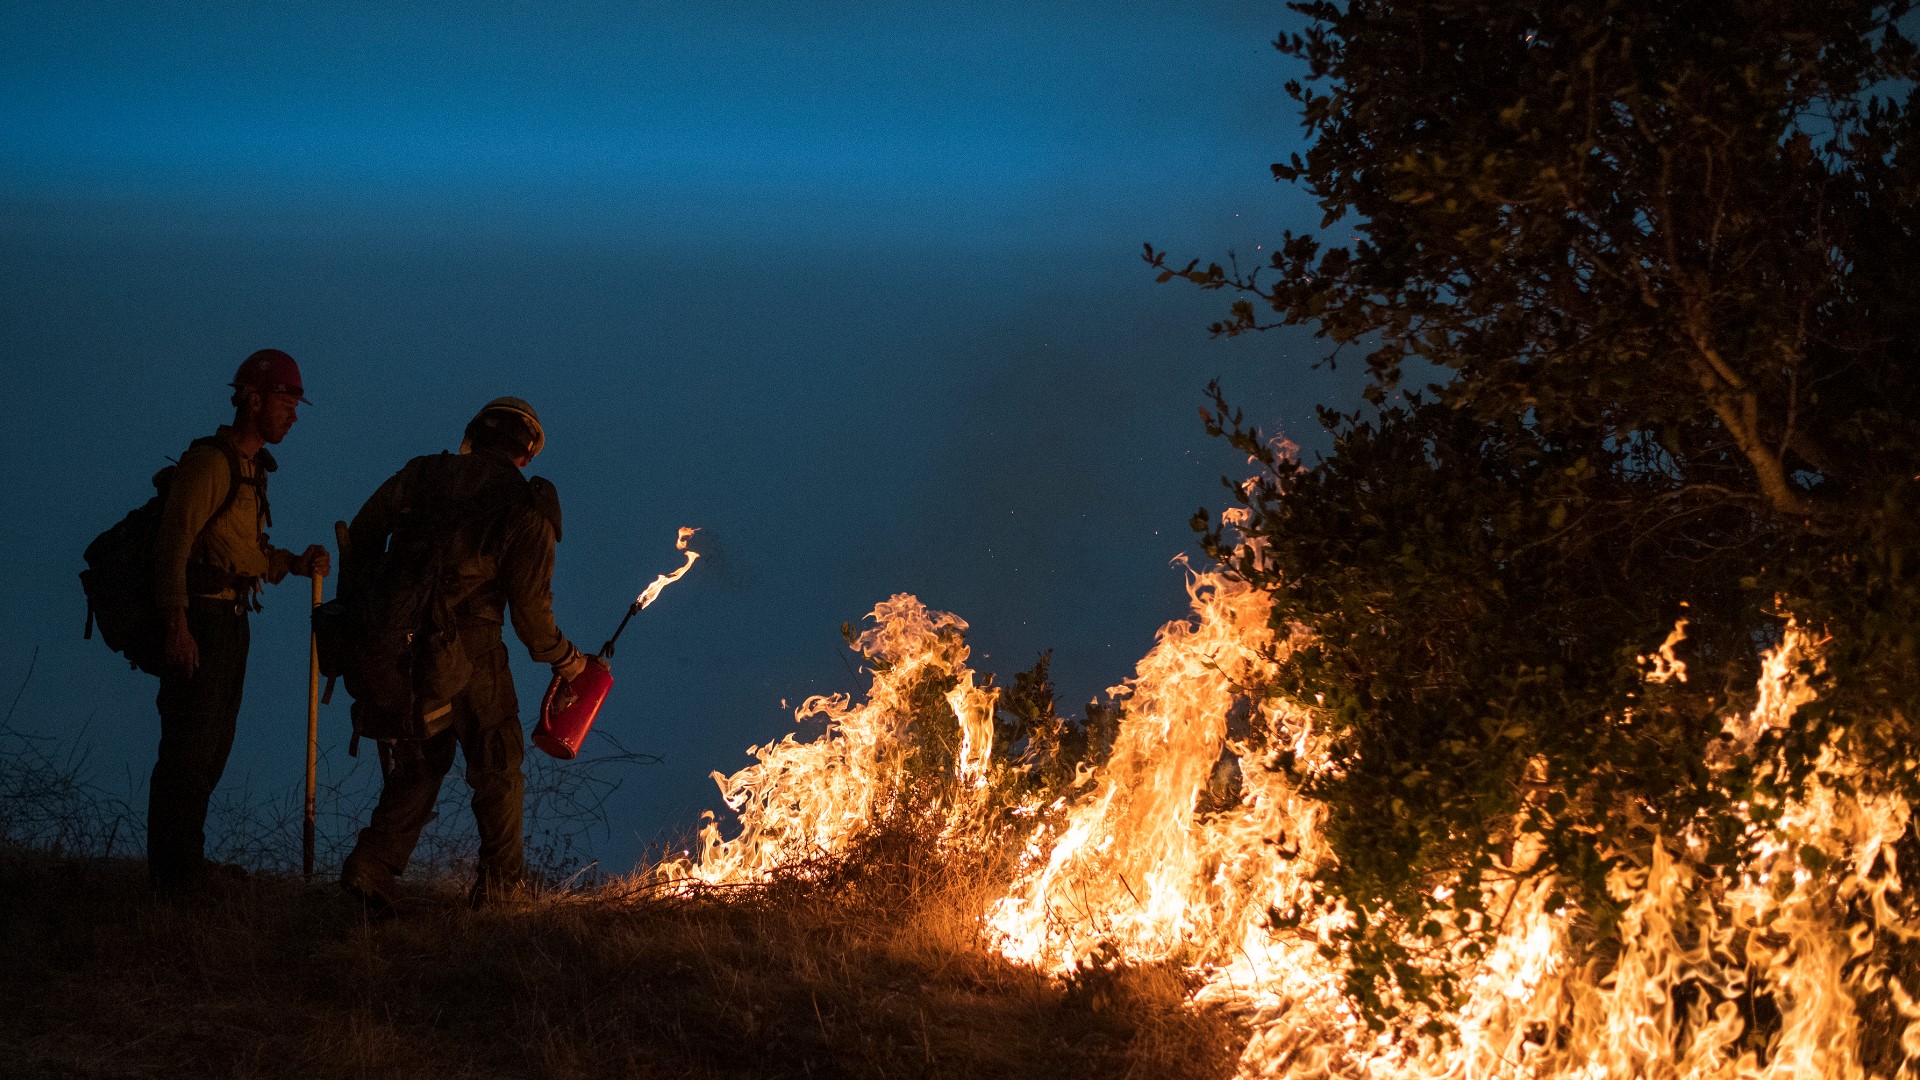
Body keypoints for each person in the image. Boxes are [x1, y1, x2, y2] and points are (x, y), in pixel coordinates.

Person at [337, 396, 586, 911]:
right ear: (528, 452)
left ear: (475, 434)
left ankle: (371, 867)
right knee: (497, 760)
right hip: (470, 648)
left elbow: (360, 534)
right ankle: (500, 890)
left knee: (421, 755)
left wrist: (371, 613)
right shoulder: (526, 506)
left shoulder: (424, 473)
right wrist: (569, 660)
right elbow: (532, 622)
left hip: (395, 639)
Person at [150, 348, 330, 895]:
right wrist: (176, 627)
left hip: (232, 618)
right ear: (254, 399)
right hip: (202, 617)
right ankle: (175, 875)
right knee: (189, 746)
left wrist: (295, 565)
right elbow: (172, 545)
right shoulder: (211, 463)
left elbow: (243, 552)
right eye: (287, 400)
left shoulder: (251, 472)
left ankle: (187, 864)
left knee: (213, 745)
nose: (294, 414)